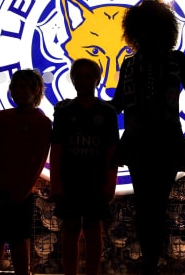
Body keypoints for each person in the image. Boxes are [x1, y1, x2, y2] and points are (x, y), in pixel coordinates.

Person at [108, 0, 185, 275]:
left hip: (145, 141)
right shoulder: (163, 61)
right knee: (153, 205)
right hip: (159, 140)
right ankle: (151, 262)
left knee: (149, 205)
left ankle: (150, 262)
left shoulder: (135, 63)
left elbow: (117, 104)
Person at [50, 58, 120, 275]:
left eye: (88, 76)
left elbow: (112, 151)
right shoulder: (63, 111)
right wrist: (56, 183)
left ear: (97, 79)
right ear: (72, 79)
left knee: (93, 229)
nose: (83, 80)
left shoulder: (108, 112)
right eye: (78, 76)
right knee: (70, 229)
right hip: (70, 179)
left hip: (96, 180)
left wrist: (110, 183)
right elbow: (57, 148)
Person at [0, 69, 52, 275]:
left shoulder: (40, 123)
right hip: (4, 189)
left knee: (16, 240)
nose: (19, 91)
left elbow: (37, 161)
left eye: (24, 86)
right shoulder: (3, 118)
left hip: (18, 191)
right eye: (16, 86)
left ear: (36, 90)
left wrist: (21, 191)